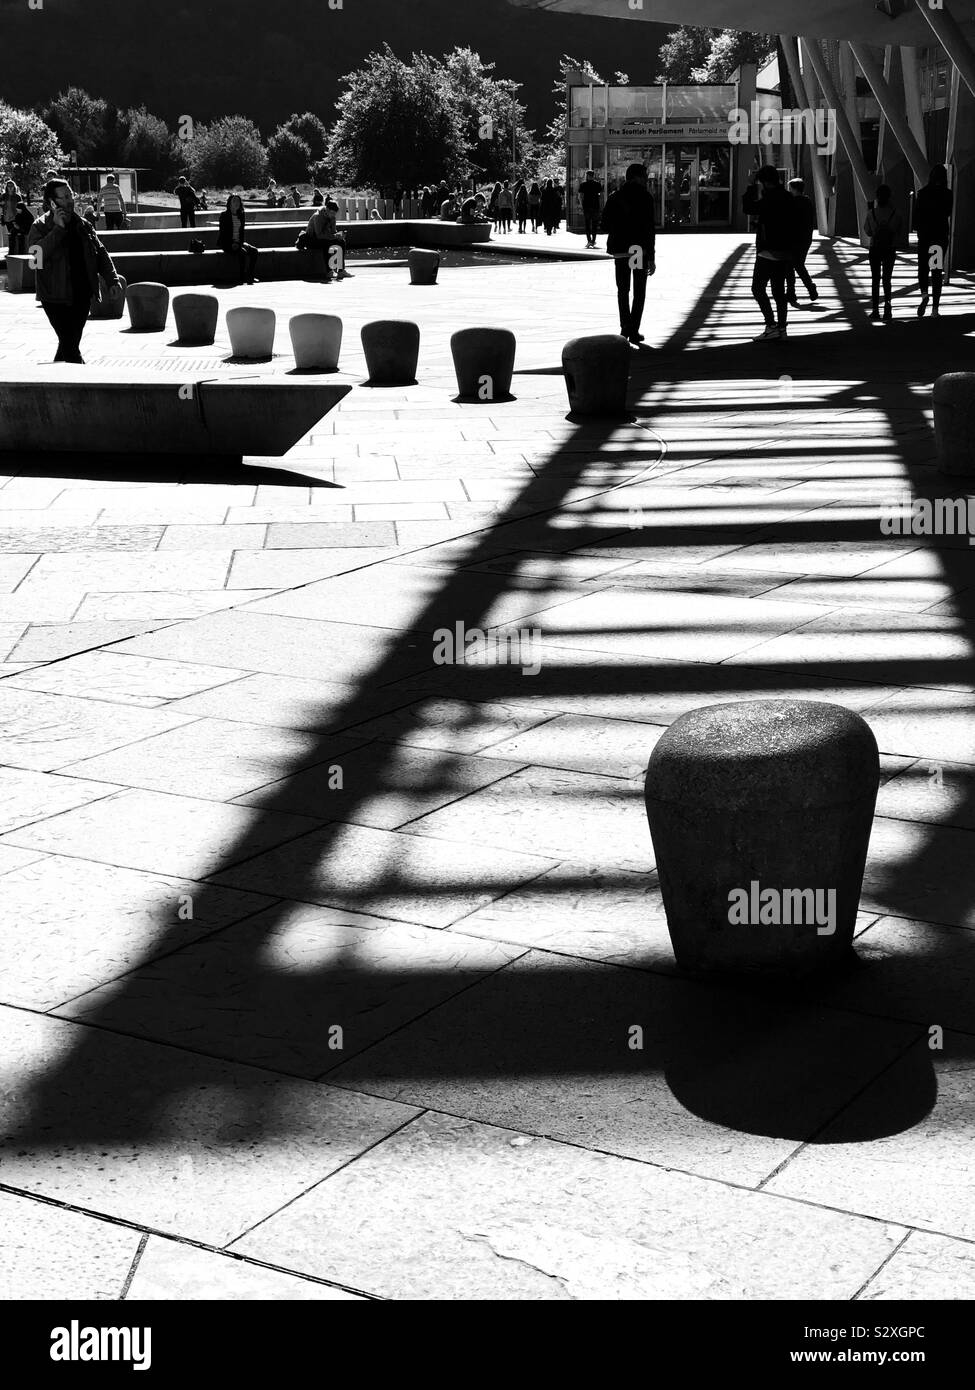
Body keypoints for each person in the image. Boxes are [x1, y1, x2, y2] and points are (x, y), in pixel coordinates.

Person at [28, 178, 122, 364]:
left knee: (68, 344)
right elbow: (35, 260)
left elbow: (101, 253)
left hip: (82, 294)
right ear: (52, 202)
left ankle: (56, 381)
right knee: (70, 347)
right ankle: (83, 383)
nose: (70, 200)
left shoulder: (83, 225)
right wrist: (57, 229)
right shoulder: (39, 226)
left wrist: (112, 280)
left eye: (70, 194)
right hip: (54, 297)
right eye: (64, 197)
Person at [599, 162, 656, 346]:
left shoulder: (615, 196)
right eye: (645, 175)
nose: (647, 178)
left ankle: (625, 327)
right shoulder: (645, 197)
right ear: (638, 177)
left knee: (623, 290)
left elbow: (604, 224)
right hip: (637, 249)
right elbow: (649, 229)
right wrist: (652, 256)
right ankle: (634, 329)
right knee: (639, 291)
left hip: (620, 249)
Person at [742, 164, 797, 342]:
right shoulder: (788, 197)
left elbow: (748, 208)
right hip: (785, 251)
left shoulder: (768, 199)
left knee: (758, 288)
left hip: (768, 251)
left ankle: (770, 325)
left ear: (764, 182)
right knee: (778, 291)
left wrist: (750, 186)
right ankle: (782, 327)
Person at [914, 164, 953, 318]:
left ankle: (924, 294)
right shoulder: (947, 194)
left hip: (925, 237)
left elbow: (916, 218)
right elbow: (948, 213)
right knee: (936, 271)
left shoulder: (922, 194)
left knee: (923, 268)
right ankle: (935, 309)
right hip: (938, 238)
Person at [865, 184, 902, 322]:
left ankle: (875, 309)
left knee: (875, 279)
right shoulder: (896, 214)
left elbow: (867, 232)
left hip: (875, 249)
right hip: (889, 249)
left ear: (877, 197)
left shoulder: (871, 213)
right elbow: (899, 232)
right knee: (887, 279)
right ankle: (888, 308)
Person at [786, 177, 818, 307]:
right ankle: (808, 288)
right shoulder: (807, 201)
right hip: (805, 239)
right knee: (798, 264)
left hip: (793, 238)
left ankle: (792, 292)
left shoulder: (791, 202)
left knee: (790, 266)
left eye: (790, 188)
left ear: (793, 189)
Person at [216, 193, 258, 284]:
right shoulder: (224, 215)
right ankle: (242, 277)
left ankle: (250, 275)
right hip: (226, 243)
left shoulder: (241, 215)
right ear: (230, 203)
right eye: (234, 201)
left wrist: (239, 243)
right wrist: (232, 243)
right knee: (242, 252)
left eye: (238, 201)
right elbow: (223, 233)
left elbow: (242, 232)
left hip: (238, 242)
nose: (236, 203)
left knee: (254, 251)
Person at [579, 170, 602, 248]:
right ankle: (593, 240)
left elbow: (580, 196)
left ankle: (589, 241)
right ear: (593, 176)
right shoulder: (598, 184)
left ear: (587, 176)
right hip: (595, 206)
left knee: (587, 224)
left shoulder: (583, 185)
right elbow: (600, 196)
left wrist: (582, 205)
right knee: (595, 224)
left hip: (587, 206)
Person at [2, 180, 23, 253]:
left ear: (14, 187)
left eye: (12, 186)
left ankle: (13, 251)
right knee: (11, 235)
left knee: (14, 235)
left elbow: (21, 207)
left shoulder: (17, 196)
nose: (10, 187)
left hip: (15, 218)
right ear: (6, 187)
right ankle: (13, 251)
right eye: (8, 186)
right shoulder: (4, 196)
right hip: (7, 218)